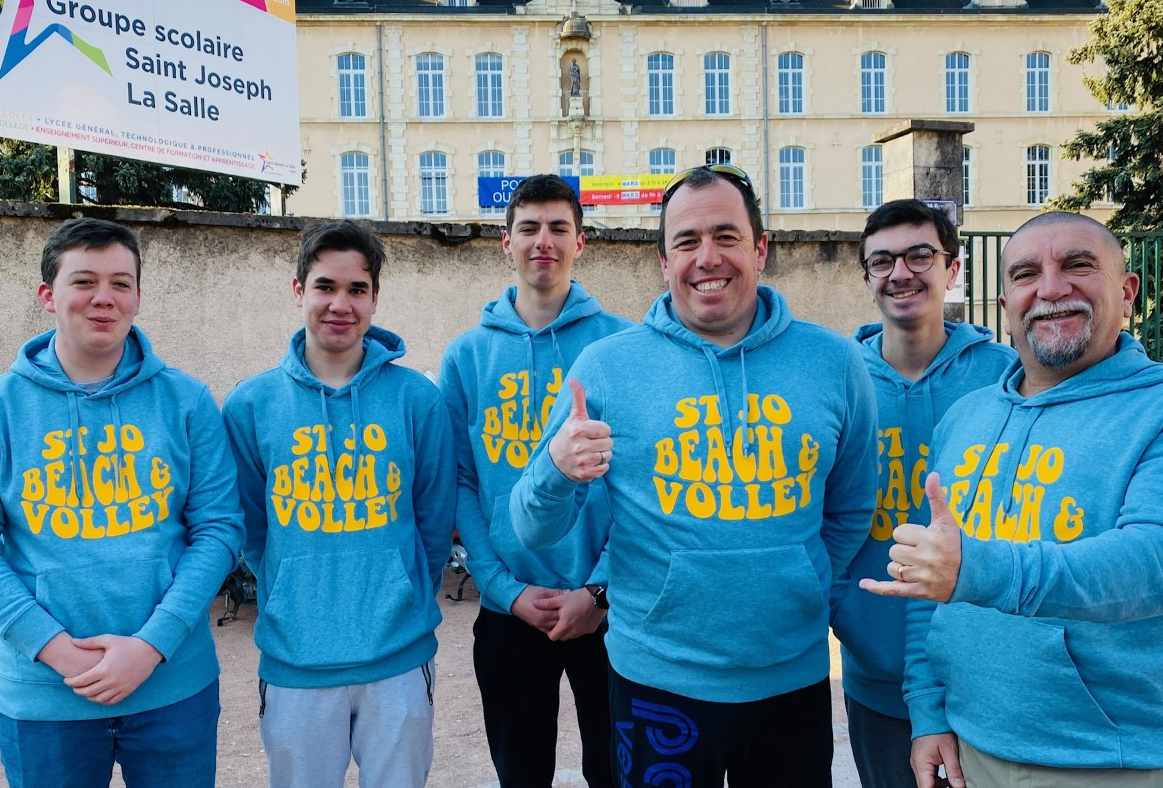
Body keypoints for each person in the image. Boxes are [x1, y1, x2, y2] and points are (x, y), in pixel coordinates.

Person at [510, 164, 878, 786]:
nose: (707, 257)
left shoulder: (833, 362)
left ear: (760, 249)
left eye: (727, 236)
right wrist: (555, 469)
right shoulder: (605, 368)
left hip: (790, 679)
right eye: (686, 241)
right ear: (663, 261)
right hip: (657, 681)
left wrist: (799, 580)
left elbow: (851, 509)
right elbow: (533, 529)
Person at [864, 212, 1163, 788]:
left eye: (1077, 266)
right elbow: (931, 581)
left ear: (1126, 293)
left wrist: (977, 568)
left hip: (1115, 762)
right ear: (1006, 302)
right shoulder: (968, 417)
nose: (1051, 288)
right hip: (971, 750)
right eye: (1027, 274)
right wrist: (927, 711)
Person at [0, 217, 244, 788]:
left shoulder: (188, 401)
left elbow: (220, 529)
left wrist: (153, 645)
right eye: (85, 281)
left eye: (121, 283)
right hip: (45, 697)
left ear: (138, 298)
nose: (104, 298)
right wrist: (55, 651)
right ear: (48, 295)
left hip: (174, 685)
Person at [222, 221, 455, 788]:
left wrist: (396, 589)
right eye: (326, 286)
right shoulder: (251, 405)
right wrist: (289, 591)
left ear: (375, 297)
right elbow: (252, 525)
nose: (340, 304)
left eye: (357, 290)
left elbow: (432, 522)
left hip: (397, 657)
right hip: (296, 661)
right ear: (299, 290)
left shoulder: (417, 400)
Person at [438, 174, 631, 788]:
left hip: (606, 609)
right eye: (529, 228)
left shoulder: (620, 346)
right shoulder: (466, 356)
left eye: (557, 228)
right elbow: (460, 483)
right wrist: (501, 588)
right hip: (509, 607)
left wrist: (598, 592)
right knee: (521, 775)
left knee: (618, 773)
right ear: (506, 241)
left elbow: (643, 489)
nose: (542, 241)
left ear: (582, 241)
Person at [831, 200, 1015, 788]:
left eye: (919, 255)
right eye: (881, 261)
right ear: (867, 278)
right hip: (876, 670)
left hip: (990, 670)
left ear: (953, 267)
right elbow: (817, 514)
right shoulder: (837, 378)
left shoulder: (1005, 374)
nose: (901, 273)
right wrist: (846, 614)